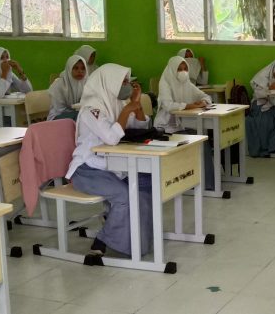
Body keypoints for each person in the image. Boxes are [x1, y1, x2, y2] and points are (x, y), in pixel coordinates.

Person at [65, 64, 153, 257]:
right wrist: (128, 108)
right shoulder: (91, 110)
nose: (127, 85)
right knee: (124, 196)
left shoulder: (115, 103)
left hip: (112, 167)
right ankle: (103, 239)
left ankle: (138, 243)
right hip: (88, 170)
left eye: (128, 81)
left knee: (145, 187)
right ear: (109, 83)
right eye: (123, 82)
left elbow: (139, 127)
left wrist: (135, 105)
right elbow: (112, 138)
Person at [154, 56, 215, 189]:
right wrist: (191, 106)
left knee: (203, 139)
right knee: (199, 142)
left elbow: (205, 96)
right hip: (166, 128)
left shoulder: (186, 83)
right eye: (179, 69)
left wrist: (203, 102)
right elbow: (169, 106)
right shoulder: (165, 83)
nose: (183, 72)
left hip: (182, 125)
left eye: (185, 68)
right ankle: (199, 182)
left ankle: (206, 183)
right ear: (172, 70)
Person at [47, 55, 87, 121]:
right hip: (57, 117)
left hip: (78, 115)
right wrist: (76, 109)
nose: (80, 71)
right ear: (69, 68)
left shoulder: (87, 83)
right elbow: (59, 109)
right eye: (76, 68)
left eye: (83, 68)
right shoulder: (59, 84)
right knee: (81, 116)